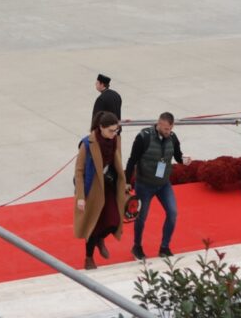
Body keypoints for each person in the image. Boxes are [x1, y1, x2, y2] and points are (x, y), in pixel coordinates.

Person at [125, 112, 183, 260]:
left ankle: (164, 247)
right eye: (164, 129)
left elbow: (178, 156)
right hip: (144, 184)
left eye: (169, 129)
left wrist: (184, 160)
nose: (167, 132)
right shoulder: (143, 137)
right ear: (158, 123)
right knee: (141, 217)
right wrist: (126, 182)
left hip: (164, 184)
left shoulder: (173, 138)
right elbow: (132, 160)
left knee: (173, 213)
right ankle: (137, 247)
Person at [75, 111, 128, 270]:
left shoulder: (115, 140)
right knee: (94, 225)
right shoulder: (87, 144)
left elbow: (117, 163)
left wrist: (123, 182)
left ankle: (99, 239)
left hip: (110, 187)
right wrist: (80, 197)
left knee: (115, 221)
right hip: (93, 191)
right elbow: (79, 172)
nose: (114, 133)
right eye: (111, 130)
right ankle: (89, 258)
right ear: (101, 128)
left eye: (116, 130)